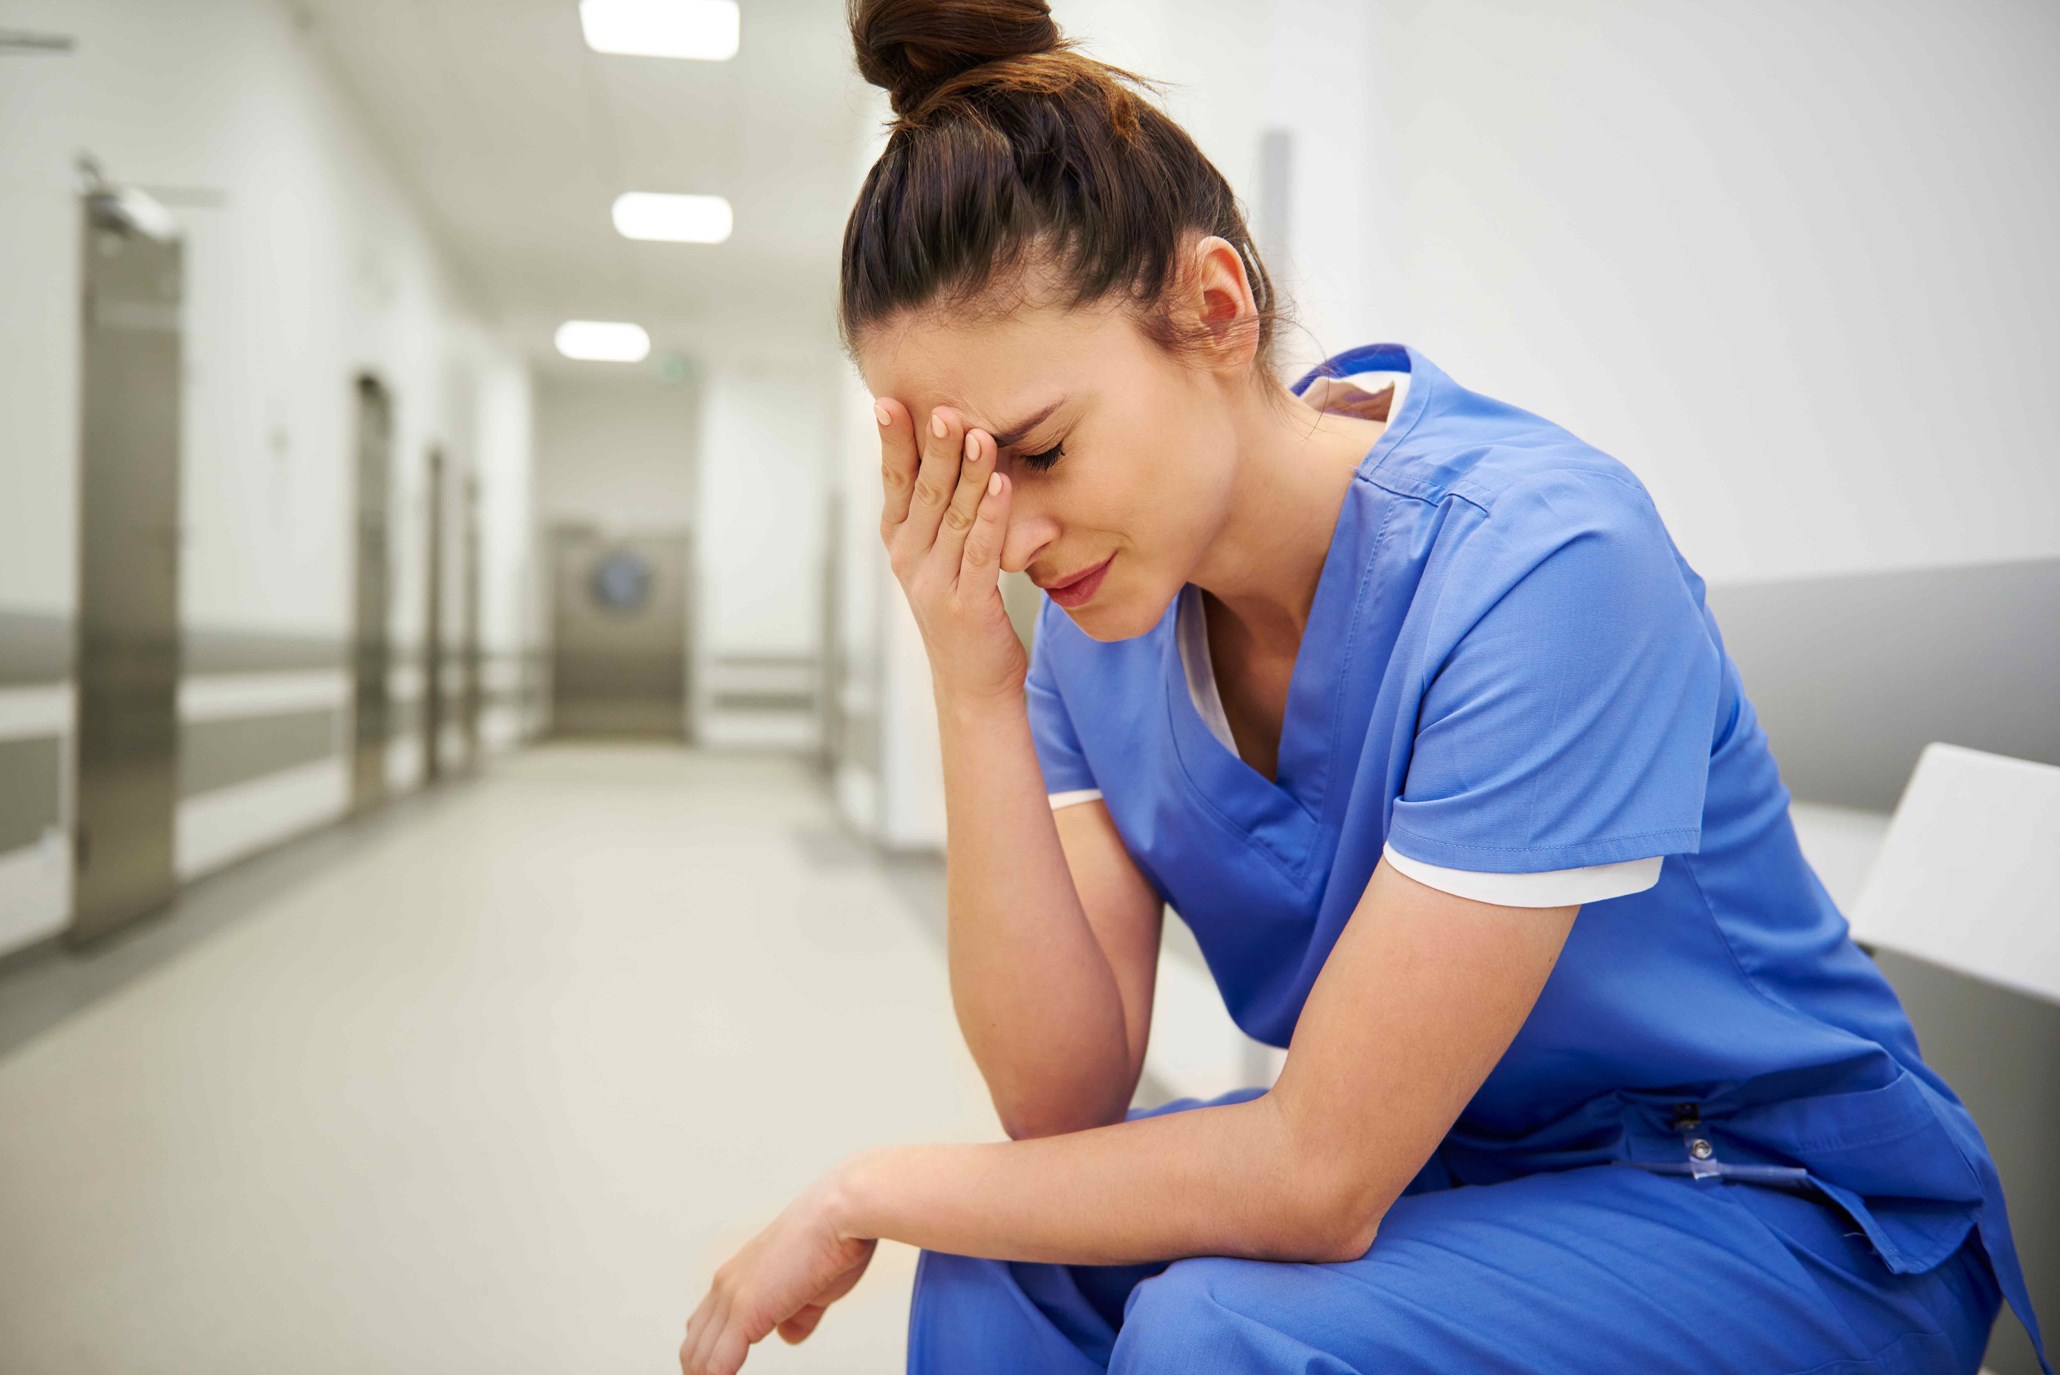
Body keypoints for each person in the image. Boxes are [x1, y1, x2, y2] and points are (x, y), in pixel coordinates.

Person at [678, 2, 2051, 1372]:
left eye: (1038, 453)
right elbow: (1062, 1101)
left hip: (1769, 1216)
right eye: (970, 483)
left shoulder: (1540, 563)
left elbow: (1321, 1176)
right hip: (1462, 1185)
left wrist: (865, 1189)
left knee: (1215, 1334)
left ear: (1215, 312)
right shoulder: (1101, 627)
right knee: (1002, 1273)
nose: (1016, 539)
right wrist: (973, 673)